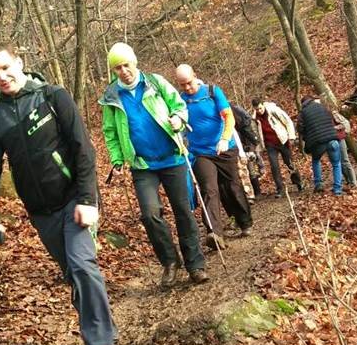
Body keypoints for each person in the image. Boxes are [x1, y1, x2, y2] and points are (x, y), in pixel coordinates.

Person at [0, 41, 117, 345]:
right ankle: (102, 327)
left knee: (82, 265)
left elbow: (84, 149)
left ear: (19, 62)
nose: (2, 76)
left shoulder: (53, 97)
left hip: (73, 198)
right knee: (73, 273)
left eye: (6, 68)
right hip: (41, 210)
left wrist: (87, 199)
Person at [99, 43, 208, 287]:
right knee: (150, 214)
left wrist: (179, 119)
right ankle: (170, 262)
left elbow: (179, 105)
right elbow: (110, 132)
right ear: (113, 70)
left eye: (126, 64)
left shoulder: (155, 83)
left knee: (183, 211)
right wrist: (117, 158)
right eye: (117, 67)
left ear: (134, 62)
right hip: (142, 164)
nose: (124, 71)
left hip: (173, 157)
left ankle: (195, 264)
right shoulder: (111, 96)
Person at [174, 64, 253, 250]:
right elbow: (179, 124)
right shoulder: (180, 101)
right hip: (200, 153)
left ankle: (244, 221)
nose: (187, 88)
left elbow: (229, 117)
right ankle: (214, 233)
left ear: (195, 76)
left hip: (224, 149)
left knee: (232, 187)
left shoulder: (212, 92)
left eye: (189, 83)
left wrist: (225, 138)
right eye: (182, 84)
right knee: (209, 190)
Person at [252, 97, 304, 197]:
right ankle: (280, 189)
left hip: (282, 140)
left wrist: (291, 136)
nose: (259, 111)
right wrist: (260, 147)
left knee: (289, 162)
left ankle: (298, 182)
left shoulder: (274, 111)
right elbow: (257, 133)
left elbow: (287, 121)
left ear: (263, 105)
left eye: (260, 108)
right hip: (270, 144)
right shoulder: (255, 119)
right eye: (257, 109)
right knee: (274, 166)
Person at [297, 95, 343, 196]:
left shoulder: (302, 113)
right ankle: (337, 189)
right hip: (332, 139)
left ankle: (318, 184)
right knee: (336, 164)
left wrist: (306, 138)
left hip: (317, 143)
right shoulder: (323, 107)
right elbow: (331, 120)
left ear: (303, 104)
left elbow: (300, 129)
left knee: (316, 161)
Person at [231, 102, 264, 199]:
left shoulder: (241, 120)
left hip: (246, 144)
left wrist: (250, 147)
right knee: (243, 171)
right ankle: (249, 194)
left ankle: (256, 193)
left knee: (250, 169)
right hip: (237, 146)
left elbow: (248, 132)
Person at [331, 109, 357, 188]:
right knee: (337, 162)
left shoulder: (333, 114)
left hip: (339, 139)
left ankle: (354, 182)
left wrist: (335, 128)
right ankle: (348, 180)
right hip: (331, 140)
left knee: (345, 161)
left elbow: (345, 124)